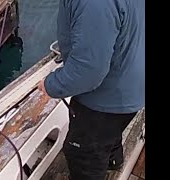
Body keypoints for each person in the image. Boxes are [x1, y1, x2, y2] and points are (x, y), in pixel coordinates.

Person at [37, 0, 145, 179]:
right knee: (110, 135)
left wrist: (51, 85)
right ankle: (113, 161)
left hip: (104, 101)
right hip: (132, 84)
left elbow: (88, 72)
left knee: (83, 155)